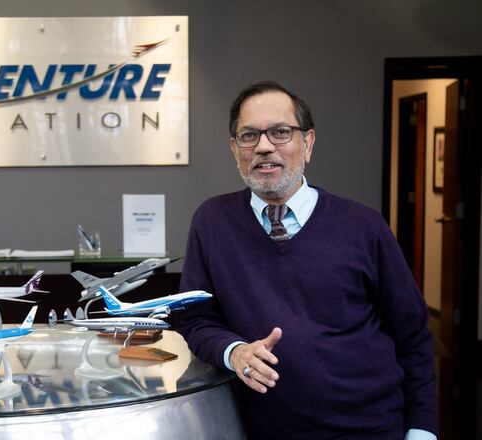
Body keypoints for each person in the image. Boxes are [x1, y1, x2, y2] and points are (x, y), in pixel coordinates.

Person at [177, 81, 437, 439]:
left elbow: (412, 336)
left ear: (308, 143)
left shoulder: (363, 226)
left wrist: (422, 430)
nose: (264, 146)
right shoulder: (212, 222)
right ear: (234, 149)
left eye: (281, 132)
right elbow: (195, 320)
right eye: (249, 135)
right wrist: (233, 352)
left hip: (368, 428)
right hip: (262, 429)